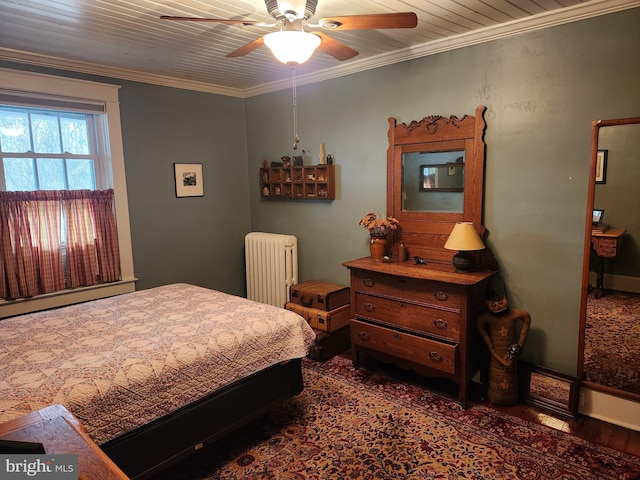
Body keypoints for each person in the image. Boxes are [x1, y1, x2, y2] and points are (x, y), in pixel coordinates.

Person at [476, 285, 531, 405]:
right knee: (496, 375)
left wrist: (519, 346)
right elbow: (479, 321)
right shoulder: (487, 318)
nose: (498, 306)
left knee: (510, 377)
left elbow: (526, 317)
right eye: (493, 304)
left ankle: (510, 398)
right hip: (496, 357)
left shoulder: (513, 314)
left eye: (500, 302)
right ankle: (494, 397)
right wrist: (494, 352)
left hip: (510, 355)